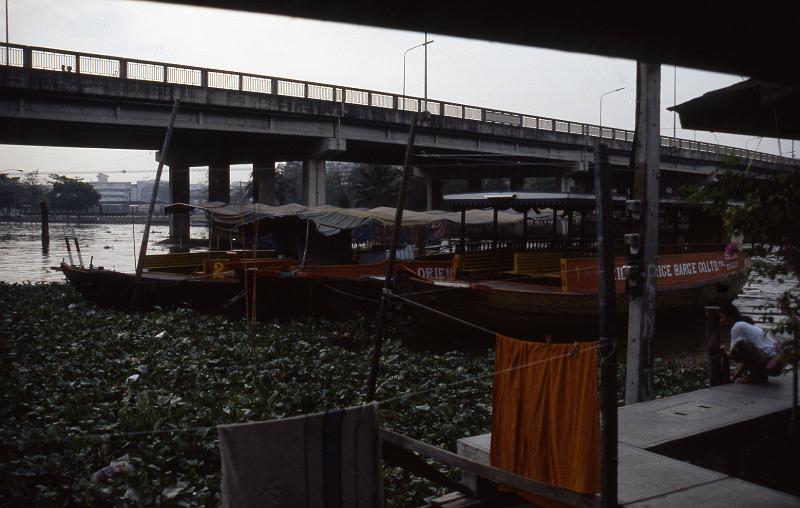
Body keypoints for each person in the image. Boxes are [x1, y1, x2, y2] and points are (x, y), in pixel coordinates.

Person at [719, 302, 783, 384]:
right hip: (778, 364)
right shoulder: (746, 326)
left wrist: (724, 351)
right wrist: (735, 378)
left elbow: (734, 354)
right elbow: (746, 357)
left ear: (730, 317)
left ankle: (757, 377)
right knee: (743, 347)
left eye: (721, 317)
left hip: (772, 363)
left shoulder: (737, 327)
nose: (720, 321)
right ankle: (758, 376)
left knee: (740, 346)